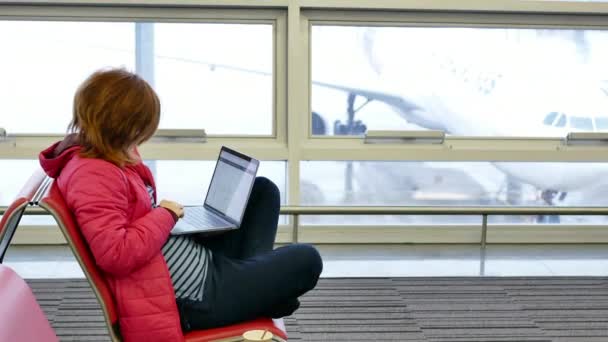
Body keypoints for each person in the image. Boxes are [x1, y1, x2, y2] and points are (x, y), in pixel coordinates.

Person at [39, 68, 322, 342]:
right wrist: (165, 214)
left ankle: (261, 292)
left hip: (191, 269)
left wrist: (175, 221)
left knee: (262, 192)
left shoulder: (102, 156)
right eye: (139, 128)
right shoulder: (94, 174)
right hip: (194, 298)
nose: (142, 136)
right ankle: (264, 293)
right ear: (121, 126)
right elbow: (116, 253)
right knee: (307, 259)